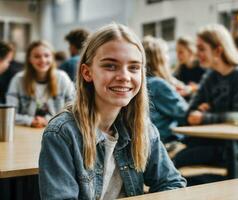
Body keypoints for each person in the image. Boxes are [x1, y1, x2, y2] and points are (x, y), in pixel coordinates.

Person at [39, 23, 186, 199]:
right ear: (87, 73)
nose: (124, 76)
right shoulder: (62, 133)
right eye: (110, 66)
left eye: (134, 67)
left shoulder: (142, 128)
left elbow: (172, 183)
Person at [173, 24, 238, 170]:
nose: (197, 54)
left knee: (176, 163)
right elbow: (189, 114)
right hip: (212, 143)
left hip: (237, 148)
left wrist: (205, 116)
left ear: (218, 50)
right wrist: (205, 114)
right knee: (173, 164)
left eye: (201, 48)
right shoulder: (210, 76)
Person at [6, 40, 74, 128]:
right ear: (29, 59)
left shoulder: (62, 78)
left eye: (47, 56)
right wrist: (30, 121)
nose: (43, 60)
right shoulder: (18, 80)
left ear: (52, 57)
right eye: (37, 56)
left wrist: (48, 120)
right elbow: (9, 114)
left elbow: (74, 111)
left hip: (57, 132)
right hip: (26, 131)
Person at [142, 36, 188, 143]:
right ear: (159, 58)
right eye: (166, 53)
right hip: (166, 142)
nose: (169, 57)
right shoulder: (158, 84)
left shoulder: (142, 83)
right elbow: (186, 115)